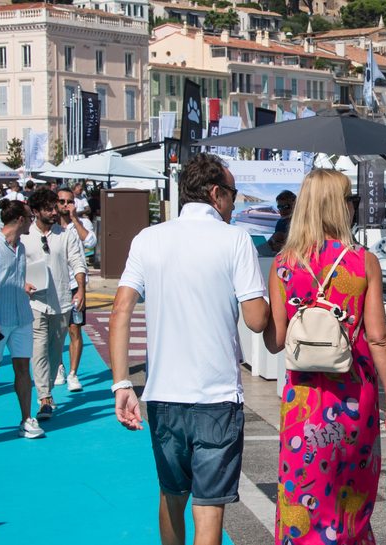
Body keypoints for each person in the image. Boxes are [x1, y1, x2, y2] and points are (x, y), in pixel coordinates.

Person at [110, 153, 269, 545]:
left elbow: (120, 309)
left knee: (171, 495)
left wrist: (121, 384)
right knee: (209, 508)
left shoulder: (148, 238)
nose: (234, 203)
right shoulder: (235, 241)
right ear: (216, 194)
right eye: (232, 194)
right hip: (216, 396)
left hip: (163, 394)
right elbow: (256, 320)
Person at [264, 168, 386, 544]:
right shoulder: (363, 261)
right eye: (350, 200)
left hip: (303, 404)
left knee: (303, 498)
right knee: (351, 500)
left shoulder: (283, 264)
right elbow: (378, 338)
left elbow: (275, 341)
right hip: (355, 400)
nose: (353, 206)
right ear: (336, 207)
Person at [0, 200, 45, 438]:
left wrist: (22, 285)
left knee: (23, 368)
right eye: (30, 218)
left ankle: (26, 418)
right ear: (20, 220)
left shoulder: (20, 248)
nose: (32, 222)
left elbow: (9, 276)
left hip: (22, 316)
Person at [22, 189, 87, 420]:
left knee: (55, 349)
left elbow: (78, 262)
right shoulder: (25, 235)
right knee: (38, 348)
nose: (53, 211)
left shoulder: (65, 234)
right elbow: (15, 267)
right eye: (48, 208)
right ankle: (44, 397)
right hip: (35, 302)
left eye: (54, 207)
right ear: (36, 211)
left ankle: (46, 388)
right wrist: (22, 283)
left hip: (62, 301)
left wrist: (80, 288)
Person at [53, 187, 96, 392]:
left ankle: (73, 373)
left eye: (69, 201)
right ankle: (59, 366)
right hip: (54, 285)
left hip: (75, 285)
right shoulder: (50, 226)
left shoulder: (81, 224)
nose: (65, 205)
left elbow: (90, 242)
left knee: (75, 329)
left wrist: (74, 219)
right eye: (61, 201)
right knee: (55, 332)